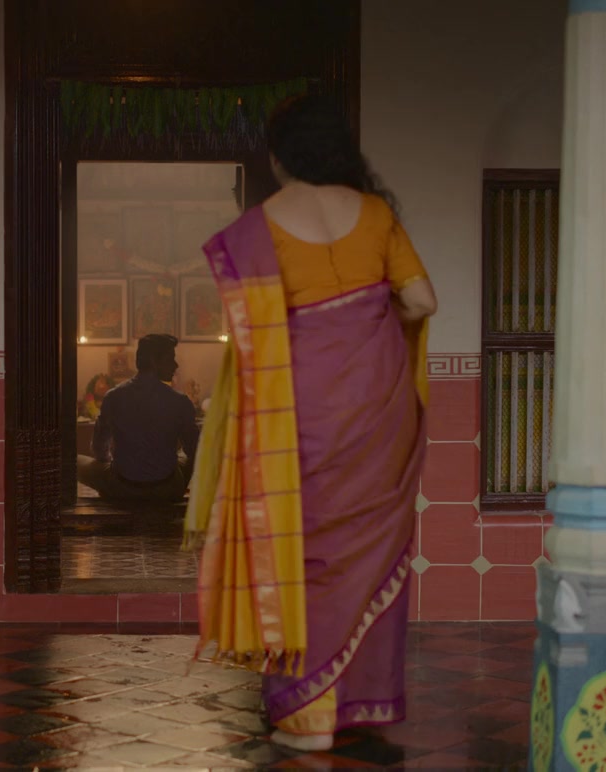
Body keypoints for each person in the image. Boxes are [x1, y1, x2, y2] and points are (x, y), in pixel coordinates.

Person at [184, 94, 437, 753]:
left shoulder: (258, 227)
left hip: (296, 411)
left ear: (279, 156)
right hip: (380, 412)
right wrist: (368, 328)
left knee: (304, 552)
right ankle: (355, 702)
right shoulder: (377, 214)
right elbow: (420, 300)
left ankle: (307, 715)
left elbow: (251, 336)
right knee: (365, 551)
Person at [77, 334, 200, 503]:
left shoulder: (113, 397)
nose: (175, 365)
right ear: (154, 362)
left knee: (76, 461)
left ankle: (106, 490)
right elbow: (194, 450)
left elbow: (99, 450)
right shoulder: (180, 401)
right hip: (167, 490)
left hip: (122, 488)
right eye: (170, 359)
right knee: (190, 456)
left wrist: (117, 462)